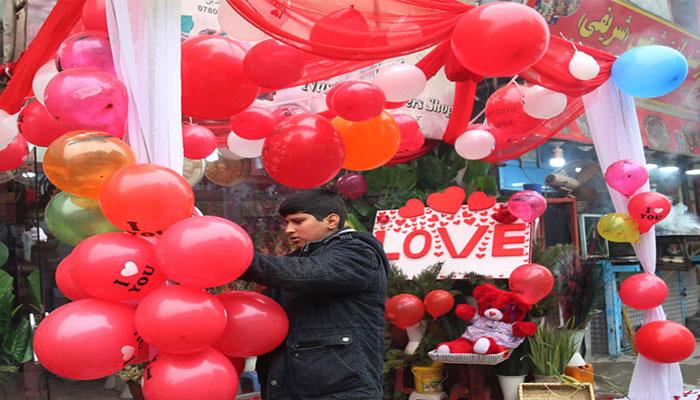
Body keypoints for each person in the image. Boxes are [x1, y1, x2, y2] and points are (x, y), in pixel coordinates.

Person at [242, 189, 390, 400]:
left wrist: (238, 258)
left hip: (342, 392)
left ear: (331, 220)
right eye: (287, 223)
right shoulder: (297, 261)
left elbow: (306, 273)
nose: (288, 230)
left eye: (298, 221)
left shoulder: (359, 253)